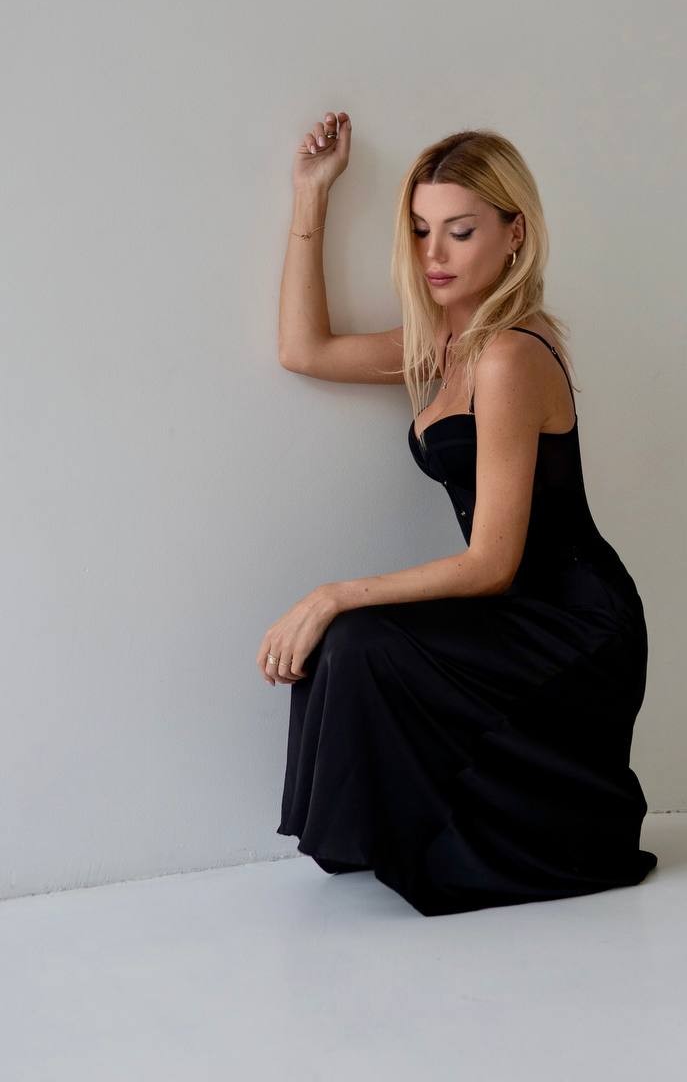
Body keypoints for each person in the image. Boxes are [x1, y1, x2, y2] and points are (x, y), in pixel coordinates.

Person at [258, 109, 658, 916]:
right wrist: (311, 195)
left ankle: (479, 840)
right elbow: (303, 350)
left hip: (573, 624)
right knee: (350, 640)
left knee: (356, 633)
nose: (433, 254)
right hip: (515, 607)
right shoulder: (443, 342)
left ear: (515, 234)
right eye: (419, 231)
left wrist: (331, 594)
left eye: (460, 231)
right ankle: (382, 833)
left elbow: (490, 564)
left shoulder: (509, 354)